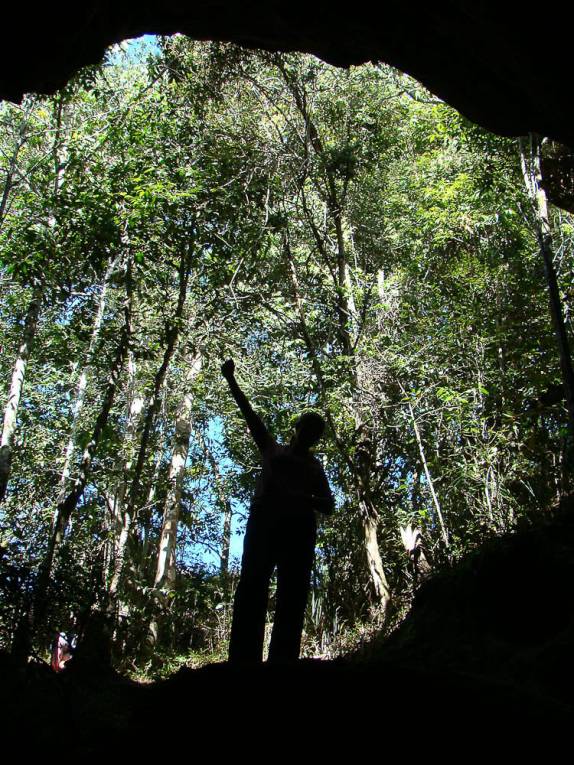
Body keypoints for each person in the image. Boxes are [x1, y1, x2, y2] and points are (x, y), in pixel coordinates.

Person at [221, 358, 334, 663]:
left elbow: (329, 504)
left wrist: (299, 497)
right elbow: (251, 416)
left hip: (298, 529)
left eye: (316, 432)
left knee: (292, 594)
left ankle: (283, 662)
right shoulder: (273, 450)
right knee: (253, 586)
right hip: (266, 522)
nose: (310, 434)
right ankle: (243, 661)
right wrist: (231, 380)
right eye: (307, 428)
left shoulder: (314, 466)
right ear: (296, 429)